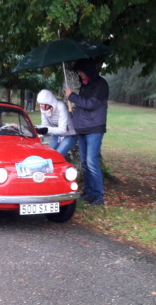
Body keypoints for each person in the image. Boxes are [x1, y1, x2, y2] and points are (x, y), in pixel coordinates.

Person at [64, 58, 108, 206]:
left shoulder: (100, 84)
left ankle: (98, 196)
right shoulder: (85, 85)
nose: (80, 74)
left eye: (81, 71)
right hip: (82, 129)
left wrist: (72, 96)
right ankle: (89, 192)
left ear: (89, 70)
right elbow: (82, 106)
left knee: (91, 162)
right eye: (78, 72)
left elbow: (91, 104)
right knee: (84, 163)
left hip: (94, 129)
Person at [35, 89, 77, 157]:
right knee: (47, 155)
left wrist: (47, 129)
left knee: (57, 156)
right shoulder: (42, 109)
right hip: (57, 135)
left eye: (45, 105)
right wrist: (37, 129)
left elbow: (62, 129)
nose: (42, 107)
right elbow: (45, 126)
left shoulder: (61, 106)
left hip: (70, 134)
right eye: (41, 105)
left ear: (50, 102)